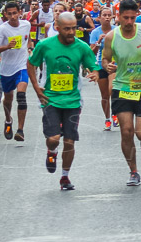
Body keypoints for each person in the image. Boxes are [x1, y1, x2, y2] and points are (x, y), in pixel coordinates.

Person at [27, 12, 100, 191]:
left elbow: (93, 66)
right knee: (53, 139)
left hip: (73, 100)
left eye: (74, 28)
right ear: (57, 28)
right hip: (50, 98)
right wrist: (36, 87)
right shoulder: (45, 45)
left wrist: (95, 73)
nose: (71, 32)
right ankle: (51, 151)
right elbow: (31, 63)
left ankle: (65, 177)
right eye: (67, 29)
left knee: (69, 141)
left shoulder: (82, 47)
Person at [102, 0, 141, 186]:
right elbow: (105, 59)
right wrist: (108, 66)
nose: (129, 22)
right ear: (118, 17)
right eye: (125, 18)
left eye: (132, 17)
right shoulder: (111, 37)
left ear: (136, 16)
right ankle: (133, 171)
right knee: (126, 131)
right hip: (122, 88)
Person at [0, 1, 33, 141]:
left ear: (20, 12)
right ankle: (8, 120)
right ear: (5, 14)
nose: (13, 16)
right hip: (6, 69)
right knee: (8, 99)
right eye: (9, 14)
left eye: (15, 13)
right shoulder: (2, 29)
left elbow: (29, 39)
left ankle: (20, 130)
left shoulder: (26, 24)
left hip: (21, 66)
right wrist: (7, 46)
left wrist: (30, 48)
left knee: (21, 96)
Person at [90, 7, 116, 130]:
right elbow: (92, 52)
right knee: (105, 95)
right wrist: (99, 41)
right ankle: (107, 119)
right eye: (104, 15)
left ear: (112, 17)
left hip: (114, 64)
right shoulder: (95, 32)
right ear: (99, 17)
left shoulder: (116, 30)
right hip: (100, 65)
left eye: (109, 15)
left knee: (112, 90)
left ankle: (115, 112)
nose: (106, 17)